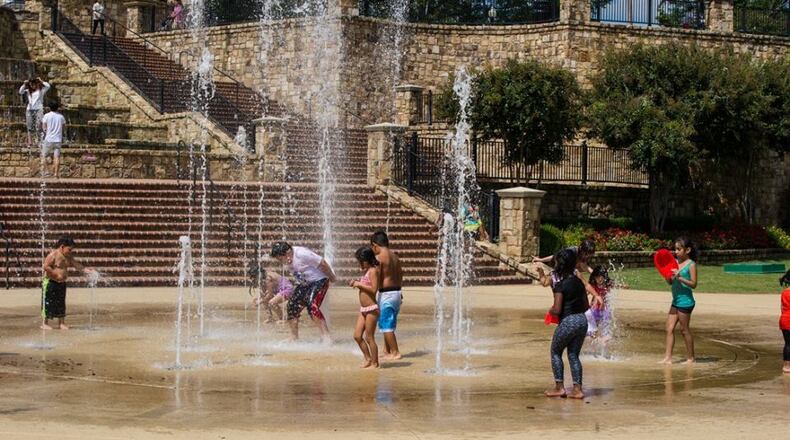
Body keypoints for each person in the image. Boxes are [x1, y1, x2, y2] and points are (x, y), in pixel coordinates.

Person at [545, 248, 589, 399]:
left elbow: (557, 309)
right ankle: (577, 389)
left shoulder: (561, 285)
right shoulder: (579, 282)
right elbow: (586, 305)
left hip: (568, 321)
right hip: (582, 320)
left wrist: (550, 311)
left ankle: (559, 387)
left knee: (556, 352)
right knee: (573, 355)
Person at [270, 241, 336, 342]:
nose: (280, 261)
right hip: (305, 283)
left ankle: (326, 337)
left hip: (320, 280)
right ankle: (293, 337)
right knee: (292, 305)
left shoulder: (301, 254)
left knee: (312, 305)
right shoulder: (288, 258)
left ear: (287, 253)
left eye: (280, 258)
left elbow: (322, 262)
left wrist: (331, 276)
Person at [41, 236, 95, 330]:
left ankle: (61, 323)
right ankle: (45, 323)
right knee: (48, 302)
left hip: (62, 283)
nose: (70, 251)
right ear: (62, 247)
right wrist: (55, 274)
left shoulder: (68, 257)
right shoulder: (53, 255)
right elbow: (46, 266)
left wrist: (86, 270)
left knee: (61, 302)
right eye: (69, 249)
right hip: (50, 282)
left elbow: (77, 265)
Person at [659, 237, 698, 365]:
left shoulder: (691, 264)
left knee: (684, 330)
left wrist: (680, 277)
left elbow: (693, 284)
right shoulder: (674, 263)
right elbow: (671, 282)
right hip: (675, 300)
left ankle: (691, 358)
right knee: (669, 329)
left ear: (687, 250)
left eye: (679, 249)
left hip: (686, 301)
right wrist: (667, 277)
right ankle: (668, 358)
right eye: (675, 249)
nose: (676, 252)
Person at [370, 230, 404, 360]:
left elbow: (376, 278)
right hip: (396, 292)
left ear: (375, 245)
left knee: (386, 325)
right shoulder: (395, 257)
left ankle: (395, 352)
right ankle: (387, 350)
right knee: (389, 323)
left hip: (387, 294)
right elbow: (401, 275)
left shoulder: (378, 258)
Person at [349, 246, 380, 369]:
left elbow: (373, 290)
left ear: (367, 260)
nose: (360, 264)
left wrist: (358, 284)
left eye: (361, 262)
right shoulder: (367, 271)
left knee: (369, 337)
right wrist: (358, 283)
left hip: (371, 308)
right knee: (357, 336)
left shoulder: (373, 271)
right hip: (363, 309)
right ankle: (367, 358)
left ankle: (375, 362)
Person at [18, 77, 51, 149]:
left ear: (36, 84)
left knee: (39, 125)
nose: (32, 85)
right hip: (29, 109)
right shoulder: (27, 91)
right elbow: (20, 92)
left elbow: (48, 86)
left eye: (34, 84)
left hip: (39, 109)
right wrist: (24, 84)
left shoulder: (41, 90)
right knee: (29, 126)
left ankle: (40, 141)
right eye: (31, 84)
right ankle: (30, 142)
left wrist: (41, 81)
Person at [584, 266, 613, 340]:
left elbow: (616, 285)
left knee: (606, 320)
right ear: (594, 277)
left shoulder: (608, 284)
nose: (599, 279)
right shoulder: (593, 285)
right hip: (595, 308)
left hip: (605, 309)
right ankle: (592, 334)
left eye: (601, 277)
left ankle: (605, 335)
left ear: (605, 277)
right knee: (593, 325)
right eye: (597, 277)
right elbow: (585, 293)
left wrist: (622, 285)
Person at [40, 101, 66, 178]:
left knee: (44, 156)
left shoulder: (46, 116)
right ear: (57, 108)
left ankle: (46, 172)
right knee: (57, 157)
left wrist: (45, 131)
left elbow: (44, 127)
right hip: (58, 140)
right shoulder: (61, 117)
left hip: (49, 139)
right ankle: (56, 174)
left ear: (49, 108)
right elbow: (64, 128)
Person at [779, 270, 790, 374]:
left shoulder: (784, 292)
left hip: (784, 319)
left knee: (788, 343)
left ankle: (786, 367)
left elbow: (782, 308)